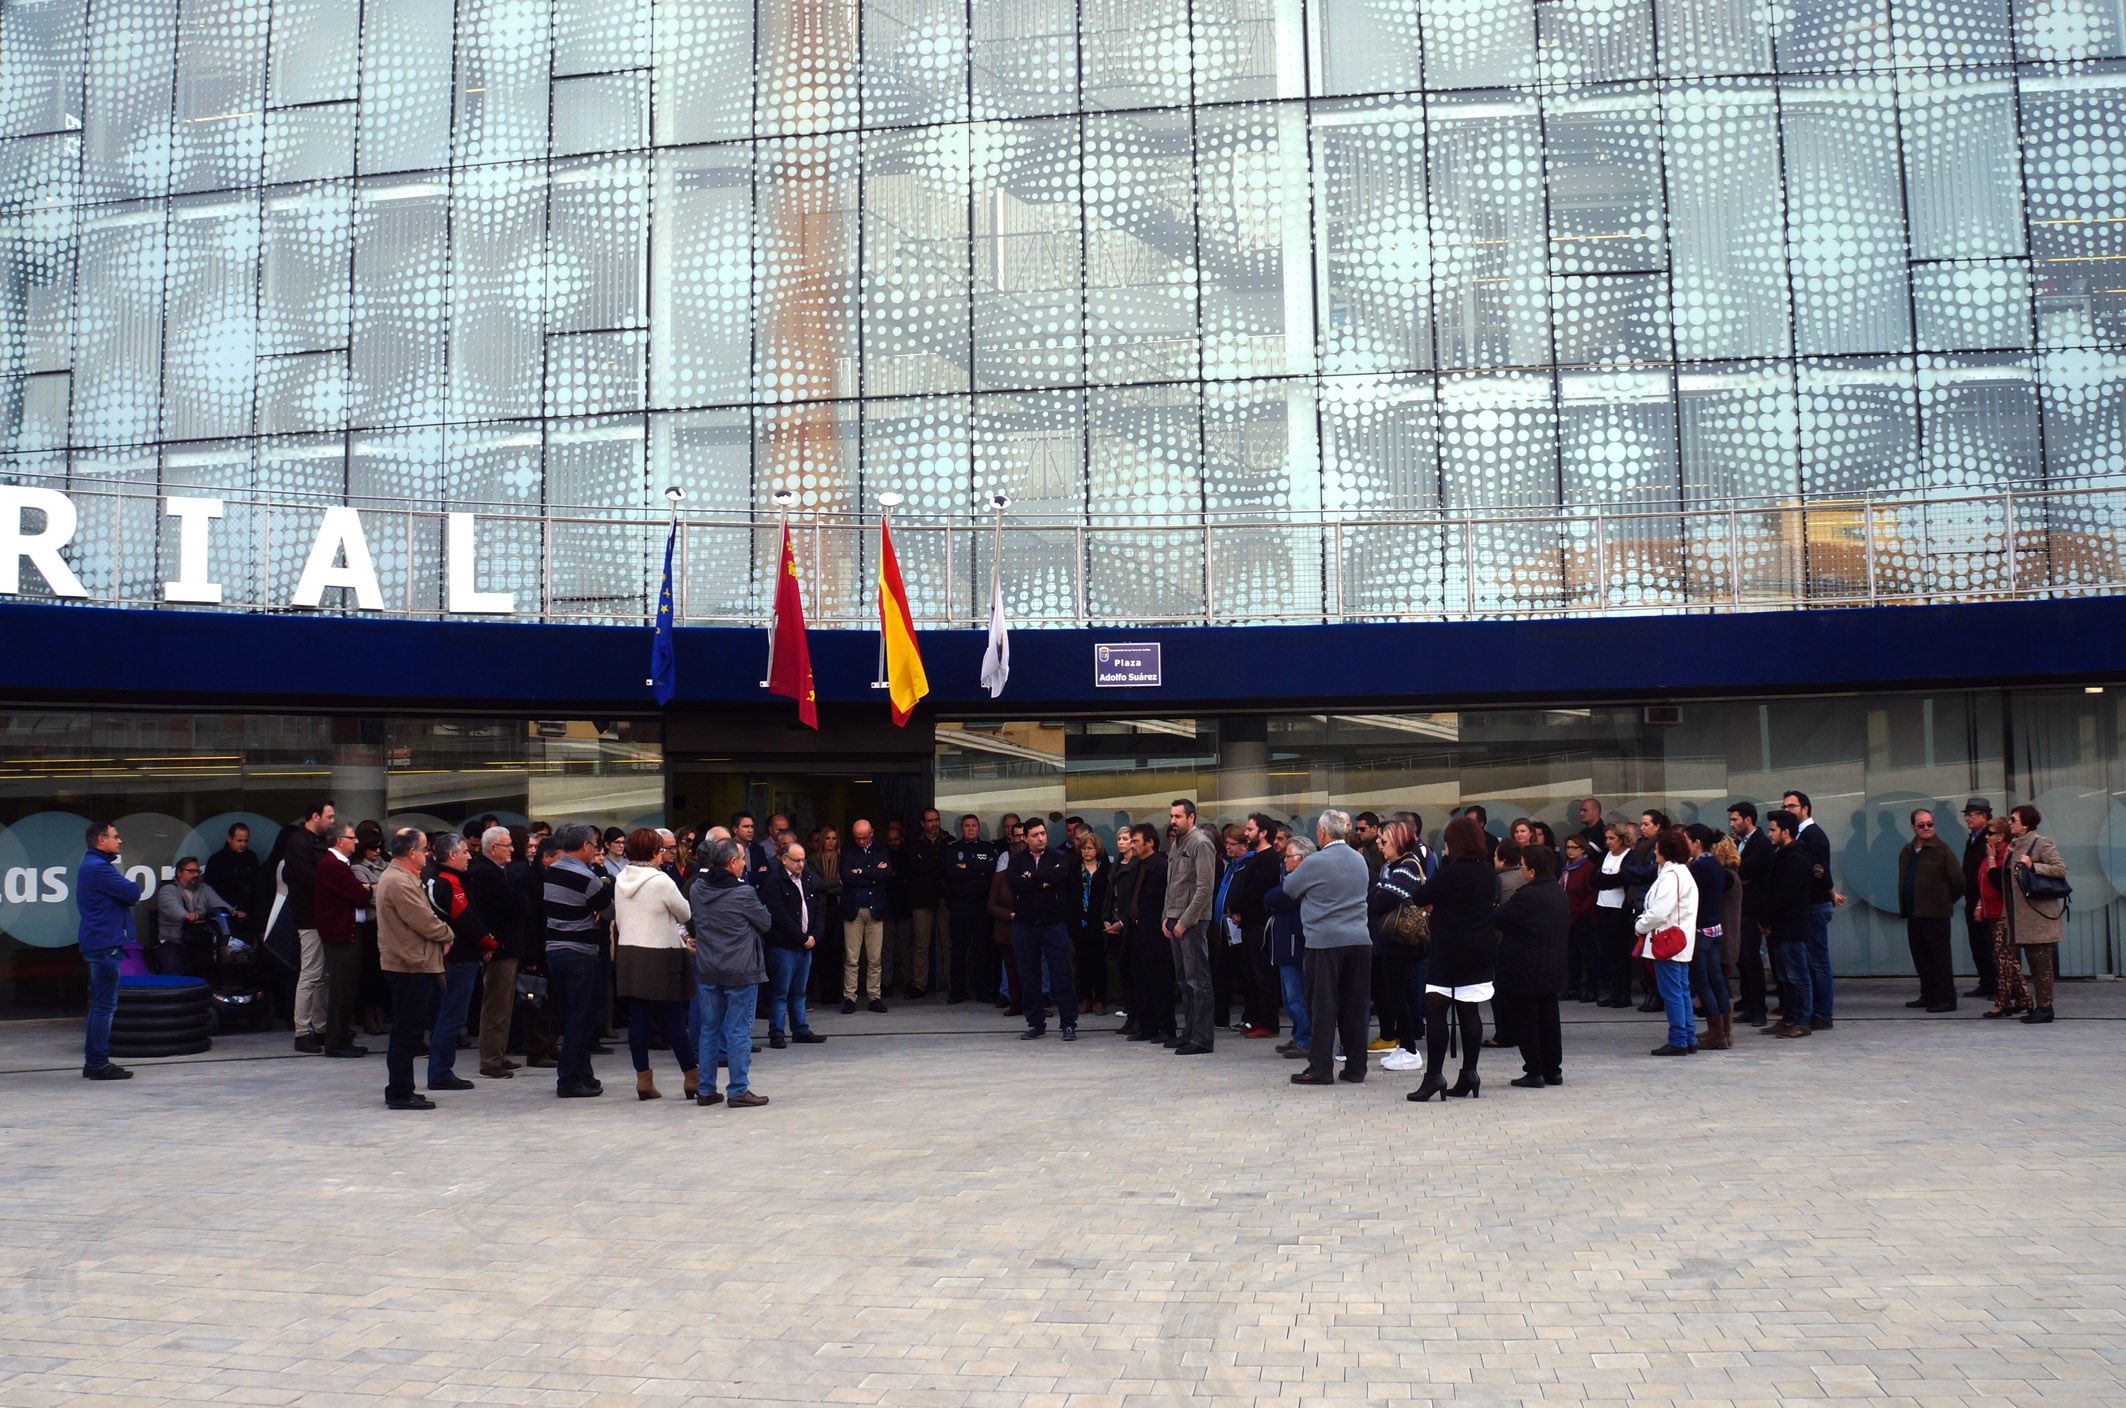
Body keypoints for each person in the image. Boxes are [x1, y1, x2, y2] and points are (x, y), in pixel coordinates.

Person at [1403, 816, 1496, 1101]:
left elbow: (1419, 896)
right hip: (1480, 947)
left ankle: (1434, 1076)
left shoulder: (1450, 872)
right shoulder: (1488, 872)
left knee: (1435, 1009)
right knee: (1470, 1010)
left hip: (1449, 948)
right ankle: (1470, 1072)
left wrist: (1437, 902)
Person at [1283, 810, 1372, 1088]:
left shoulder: (1316, 862)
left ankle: (1321, 1068)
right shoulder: (1359, 860)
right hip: (1359, 939)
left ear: (1322, 833)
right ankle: (1356, 1068)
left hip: (1324, 942)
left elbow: (1290, 888)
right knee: (1355, 1007)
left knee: (1322, 1007)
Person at [613, 828, 697, 1101]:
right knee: (673, 1019)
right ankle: (692, 1077)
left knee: (637, 1018)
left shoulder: (619, 878)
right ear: (652, 852)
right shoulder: (661, 880)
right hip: (661, 953)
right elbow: (685, 911)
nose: (664, 854)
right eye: (661, 849)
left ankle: (643, 1080)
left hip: (630, 953)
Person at [689, 837, 773, 1107]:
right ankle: (738, 1089)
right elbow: (765, 922)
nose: (745, 863)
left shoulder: (698, 889)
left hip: (709, 968)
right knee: (738, 1031)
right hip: (740, 970)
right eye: (741, 858)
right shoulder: (743, 893)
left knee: (709, 1030)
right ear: (732, 862)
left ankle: (705, 1089)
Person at [375, 827, 453, 1110]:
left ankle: (403, 1087)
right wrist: (447, 934)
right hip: (409, 965)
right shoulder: (398, 881)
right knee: (406, 1032)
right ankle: (398, 1090)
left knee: (410, 1031)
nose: (427, 855)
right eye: (424, 850)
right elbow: (424, 920)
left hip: (414, 962)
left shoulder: (405, 878)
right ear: (411, 853)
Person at [543, 823, 615, 1098]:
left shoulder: (552, 871)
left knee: (572, 1016)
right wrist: (596, 911)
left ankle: (584, 1074)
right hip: (580, 952)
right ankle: (570, 1080)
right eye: (595, 846)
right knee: (580, 1018)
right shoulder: (588, 878)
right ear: (585, 846)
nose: (596, 850)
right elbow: (607, 909)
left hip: (555, 950)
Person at [1493, 844, 1568, 1088]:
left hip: (1525, 968)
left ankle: (1534, 1070)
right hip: (1551, 965)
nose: (1522, 870)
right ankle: (1552, 1070)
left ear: (1532, 871)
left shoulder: (1527, 895)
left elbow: (1501, 920)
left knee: (1527, 1022)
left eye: (1523, 866)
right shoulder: (1558, 891)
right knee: (1549, 1020)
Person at [74, 821, 142, 1081]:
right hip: (104, 944)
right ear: (100, 840)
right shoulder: (99, 868)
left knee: (100, 1006)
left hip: (99, 942)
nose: (120, 841)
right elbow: (132, 891)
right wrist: (128, 889)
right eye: (115, 836)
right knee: (104, 1006)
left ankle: (95, 1061)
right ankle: (97, 1063)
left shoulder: (95, 866)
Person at [266, 799, 335, 1053]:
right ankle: (303, 1031)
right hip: (310, 918)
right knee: (311, 974)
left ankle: (319, 1027)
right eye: (329, 816)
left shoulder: (316, 843)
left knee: (322, 976)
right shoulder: (300, 843)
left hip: (321, 916)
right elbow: (309, 881)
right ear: (315, 816)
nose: (332, 821)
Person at [423, 833, 491, 1093]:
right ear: (452, 855)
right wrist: (489, 943)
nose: (469, 856)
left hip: (454, 956)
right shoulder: (450, 882)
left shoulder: (435, 879)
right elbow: (466, 919)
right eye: (465, 851)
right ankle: (440, 1071)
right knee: (451, 1016)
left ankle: (440, 1070)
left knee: (447, 1014)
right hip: (459, 957)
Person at [1007, 819, 1078, 1041]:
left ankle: (1068, 1023)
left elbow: (1059, 877)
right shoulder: (1017, 860)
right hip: (1025, 925)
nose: (1041, 838)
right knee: (1029, 975)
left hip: (1053, 923)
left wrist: (1032, 877)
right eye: (1035, 835)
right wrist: (1042, 881)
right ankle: (1036, 1023)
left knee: (1061, 973)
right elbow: (1015, 883)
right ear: (1026, 838)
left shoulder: (1058, 856)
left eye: (1043, 833)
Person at [463, 826, 526, 1079]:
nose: (512, 849)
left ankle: (498, 1053)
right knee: (495, 1004)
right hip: (498, 946)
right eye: (506, 845)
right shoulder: (485, 873)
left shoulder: (499, 871)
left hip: (507, 945)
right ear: (492, 849)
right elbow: (515, 903)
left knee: (505, 1003)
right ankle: (490, 1059)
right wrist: (520, 899)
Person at [1635, 826, 1702, 1056]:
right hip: (1679, 941)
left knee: (1672, 992)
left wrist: (1640, 925)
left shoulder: (1671, 876)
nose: (1654, 853)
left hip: (1668, 942)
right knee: (1681, 990)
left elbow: (1659, 912)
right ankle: (1688, 1036)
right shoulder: (1681, 873)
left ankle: (1679, 1039)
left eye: (1657, 849)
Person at [1367, 820, 1427, 1071]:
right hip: (1393, 942)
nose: (1380, 846)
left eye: (1385, 841)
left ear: (1399, 842)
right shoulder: (1394, 867)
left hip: (1399, 943)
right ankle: (1404, 1047)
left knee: (1399, 995)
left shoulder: (1405, 867)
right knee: (1395, 994)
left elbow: (1380, 900)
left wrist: (1378, 891)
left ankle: (1410, 1049)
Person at [2000, 804, 2068, 1025]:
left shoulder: (2041, 843)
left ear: (2026, 824)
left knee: (2042, 965)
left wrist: (2034, 866)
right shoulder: (2014, 846)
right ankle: (2040, 1006)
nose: (2010, 823)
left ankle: (2045, 1008)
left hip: (2038, 917)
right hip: (2023, 917)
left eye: (2013, 819)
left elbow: (2060, 869)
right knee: (2034, 964)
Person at [309, 822, 372, 1059]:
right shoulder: (332, 865)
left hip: (346, 933)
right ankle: (336, 1042)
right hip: (341, 935)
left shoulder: (338, 865)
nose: (356, 842)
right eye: (352, 837)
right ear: (339, 841)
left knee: (348, 988)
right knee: (341, 989)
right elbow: (358, 895)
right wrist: (367, 890)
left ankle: (343, 1036)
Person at [1781, 789, 1842, 1030]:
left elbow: (1821, 872)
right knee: (1809, 961)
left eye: (1792, 806)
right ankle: (1815, 1011)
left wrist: (1829, 892)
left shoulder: (1812, 835)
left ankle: (1822, 1013)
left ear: (1805, 808)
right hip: (1812, 905)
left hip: (1815, 905)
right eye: (1785, 807)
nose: (1788, 810)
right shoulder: (1801, 834)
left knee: (1817, 961)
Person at [1163, 799, 1219, 1055]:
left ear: (1191, 817)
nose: (1173, 821)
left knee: (1198, 980)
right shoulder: (1176, 844)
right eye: (1172, 816)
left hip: (1192, 921)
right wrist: (1166, 916)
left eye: (1178, 816)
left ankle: (1202, 1038)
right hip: (1174, 918)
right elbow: (1173, 883)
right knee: (1184, 980)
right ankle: (1189, 1033)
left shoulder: (1201, 843)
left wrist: (1185, 921)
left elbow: (1205, 888)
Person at [1897, 807, 1966, 1014]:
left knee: (1939, 958)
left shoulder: (1942, 850)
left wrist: (1944, 901)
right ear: (1913, 827)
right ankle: (1928, 994)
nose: (1927, 828)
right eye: (1922, 825)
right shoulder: (1908, 850)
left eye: (1930, 824)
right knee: (1921, 957)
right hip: (1914, 912)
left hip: (1936, 913)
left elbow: (1959, 882)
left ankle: (1946, 999)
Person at [1759, 810, 1818, 1039]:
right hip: (1778, 928)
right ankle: (1789, 1018)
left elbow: (1785, 896)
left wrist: (1769, 918)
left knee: (1798, 976)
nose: (1770, 834)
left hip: (1790, 927)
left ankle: (1802, 1021)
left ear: (1786, 832)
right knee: (1785, 977)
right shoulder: (1781, 855)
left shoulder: (1796, 858)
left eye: (1773, 829)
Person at [1223, 814, 1282, 1039]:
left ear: (1263, 832)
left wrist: (1237, 906)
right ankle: (1256, 1019)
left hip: (1259, 925)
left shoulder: (1268, 859)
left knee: (1263, 975)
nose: (1246, 833)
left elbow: (1255, 891)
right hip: (1247, 924)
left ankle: (1269, 1023)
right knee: (1252, 976)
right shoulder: (1255, 858)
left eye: (1250, 829)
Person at [761, 840, 825, 1048]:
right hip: (784, 945)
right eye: (796, 861)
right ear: (784, 859)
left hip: (806, 944)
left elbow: (817, 909)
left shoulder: (807, 878)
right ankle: (777, 1032)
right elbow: (779, 915)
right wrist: (802, 938)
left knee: (799, 990)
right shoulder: (774, 881)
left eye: (803, 860)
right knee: (781, 990)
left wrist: (814, 935)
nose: (801, 865)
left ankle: (800, 1029)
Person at [1975, 817, 2031, 1018]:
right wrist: (1980, 904)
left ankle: (2002, 1001)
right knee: (2007, 959)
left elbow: (1998, 882)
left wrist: (1991, 859)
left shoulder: (2007, 856)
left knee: (2003, 960)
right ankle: (2024, 999)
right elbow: (1982, 883)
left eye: (1990, 834)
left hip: (2004, 914)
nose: (1987, 837)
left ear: (2001, 837)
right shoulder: (1989, 855)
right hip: (1991, 913)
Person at [1263, 836, 1313, 1059]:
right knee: (1288, 995)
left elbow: (1276, 896)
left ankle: (1307, 1038)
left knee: (1296, 995)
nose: (1285, 861)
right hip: (1284, 942)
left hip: (1295, 942)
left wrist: (1275, 898)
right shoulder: (1290, 877)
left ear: (1301, 858)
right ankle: (1298, 1034)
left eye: (1289, 857)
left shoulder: (1304, 879)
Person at [1683, 824, 1731, 1049]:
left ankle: (1716, 1033)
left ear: (1697, 842)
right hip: (1715, 928)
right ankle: (1724, 1031)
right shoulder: (1715, 864)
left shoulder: (1699, 867)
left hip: (1701, 930)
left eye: (1686, 840)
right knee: (1717, 980)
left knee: (1703, 982)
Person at [942, 815, 998, 1005]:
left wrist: (969, 866)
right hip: (960, 907)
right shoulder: (952, 849)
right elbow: (952, 872)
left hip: (982, 907)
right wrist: (978, 870)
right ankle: (957, 991)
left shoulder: (988, 848)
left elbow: (990, 869)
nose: (971, 829)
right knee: (958, 949)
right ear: (961, 828)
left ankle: (982, 991)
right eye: (967, 826)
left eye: (974, 826)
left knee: (982, 950)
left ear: (978, 828)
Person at [839, 818, 892, 1015]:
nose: (861, 841)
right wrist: (872, 873)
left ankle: (874, 996)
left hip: (875, 909)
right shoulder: (847, 850)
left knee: (875, 958)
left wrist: (860, 871)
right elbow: (846, 876)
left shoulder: (881, 849)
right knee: (852, 957)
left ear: (872, 833)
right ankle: (850, 997)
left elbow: (885, 874)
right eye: (857, 838)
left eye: (864, 837)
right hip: (853, 909)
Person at [1727, 802, 1773, 1028]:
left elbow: (1745, 871)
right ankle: (1748, 1003)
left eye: (1735, 820)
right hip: (1739, 908)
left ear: (1748, 819)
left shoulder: (1761, 843)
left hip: (1753, 909)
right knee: (1741, 958)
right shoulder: (1738, 843)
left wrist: (1738, 874)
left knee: (1751, 958)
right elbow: (1734, 873)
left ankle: (1758, 1008)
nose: (1732, 824)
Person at [152, 857, 232, 977]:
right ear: (179, 872)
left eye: (197, 872)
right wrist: (186, 915)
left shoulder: (204, 888)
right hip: (173, 942)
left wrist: (233, 912)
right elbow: (173, 909)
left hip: (199, 941)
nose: (195, 875)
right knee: (173, 967)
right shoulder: (168, 890)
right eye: (191, 871)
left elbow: (219, 903)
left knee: (213, 966)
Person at [1065, 829, 1112, 1016]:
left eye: (1090, 848)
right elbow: (1068, 896)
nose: (1086, 851)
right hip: (1079, 922)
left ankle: (1100, 999)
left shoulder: (1106, 869)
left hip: (1099, 922)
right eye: (1083, 848)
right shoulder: (1074, 869)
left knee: (1099, 962)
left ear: (1097, 849)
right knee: (1082, 962)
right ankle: (1084, 998)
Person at [904, 808, 948, 1000]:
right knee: (921, 944)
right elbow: (915, 868)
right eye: (930, 821)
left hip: (945, 897)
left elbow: (949, 869)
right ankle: (919, 985)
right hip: (922, 899)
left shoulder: (949, 841)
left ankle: (952, 983)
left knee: (948, 944)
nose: (934, 824)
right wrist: (936, 866)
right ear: (923, 823)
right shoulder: (914, 844)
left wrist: (930, 867)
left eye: (936, 820)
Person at [1959, 798, 1998, 1002]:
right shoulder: (1972, 838)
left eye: (1972, 814)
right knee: (1977, 943)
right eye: (1967, 814)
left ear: (1984, 816)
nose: (1967, 818)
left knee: (1988, 942)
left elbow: (1989, 872)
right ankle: (1985, 982)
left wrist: (1982, 901)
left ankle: (1996, 984)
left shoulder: (1989, 837)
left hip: (1984, 899)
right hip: (1972, 897)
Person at [1592, 823, 1634, 1007]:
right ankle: (1613, 991)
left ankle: (1624, 993)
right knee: (1606, 951)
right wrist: (1608, 880)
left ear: (1622, 839)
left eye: (1612, 838)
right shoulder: (1604, 856)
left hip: (1620, 909)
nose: (1608, 842)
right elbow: (1594, 879)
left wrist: (1607, 880)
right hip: (1603, 906)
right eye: (1606, 838)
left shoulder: (1629, 856)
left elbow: (1624, 878)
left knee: (1621, 953)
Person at [987, 823, 1022, 1012]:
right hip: (1006, 930)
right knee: (1011, 969)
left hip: (1031, 928)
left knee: (1031, 969)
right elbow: (990, 906)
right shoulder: (1000, 877)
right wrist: (1009, 915)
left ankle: (1036, 1004)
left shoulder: (1033, 876)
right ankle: (1015, 1003)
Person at [1561, 835, 1598, 1003]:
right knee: (1571, 955)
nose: (1570, 850)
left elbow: (1591, 893)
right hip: (1567, 916)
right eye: (1568, 847)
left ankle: (1592, 988)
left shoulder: (1587, 867)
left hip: (1582, 917)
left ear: (1582, 849)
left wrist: (1579, 912)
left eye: (1574, 847)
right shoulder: (1567, 867)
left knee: (1587, 954)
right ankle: (1573, 987)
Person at [201, 823, 256, 938]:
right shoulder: (217, 860)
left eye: (246, 841)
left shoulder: (251, 858)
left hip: (248, 915)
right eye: (239, 841)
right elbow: (210, 891)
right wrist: (231, 910)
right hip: (224, 915)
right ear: (229, 839)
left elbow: (256, 886)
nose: (243, 844)